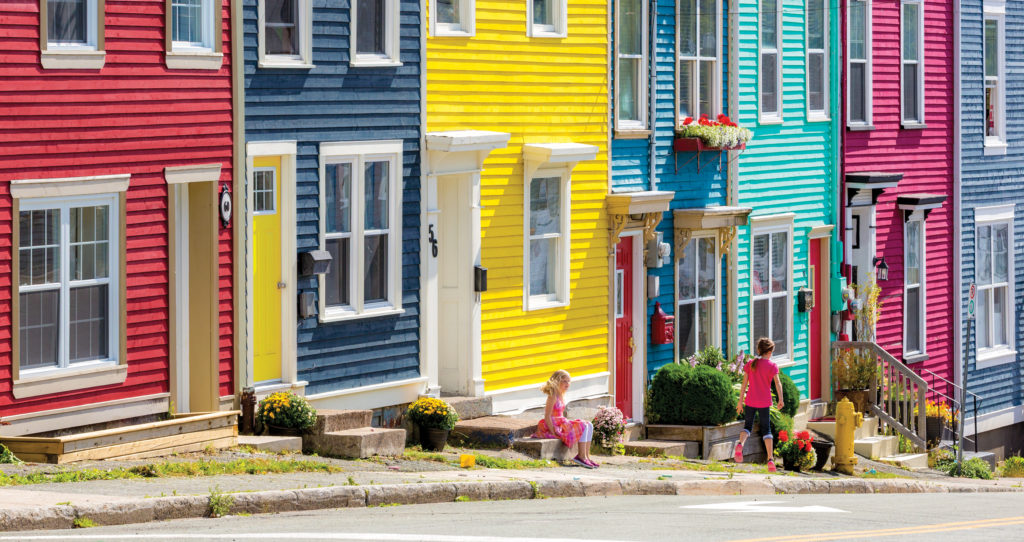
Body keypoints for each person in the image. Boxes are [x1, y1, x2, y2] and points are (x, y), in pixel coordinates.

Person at [734, 337, 785, 472]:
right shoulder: (772, 366)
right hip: (764, 402)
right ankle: (770, 460)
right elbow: (778, 383)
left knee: (747, 427)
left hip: (750, 400)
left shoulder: (751, 363)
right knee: (766, 430)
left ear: (759, 350)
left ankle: (740, 444)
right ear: (769, 352)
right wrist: (781, 399)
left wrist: (740, 402)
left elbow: (744, 384)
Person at [533, 370, 599, 468]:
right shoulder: (553, 396)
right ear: (557, 381)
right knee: (583, 425)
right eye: (564, 381)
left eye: (569, 381)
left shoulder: (561, 394)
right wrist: (552, 431)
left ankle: (586, 456)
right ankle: (581, 456)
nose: (567, 384)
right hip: (553, 424)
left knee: (589, 424)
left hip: (561, 421)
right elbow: (547, 416)